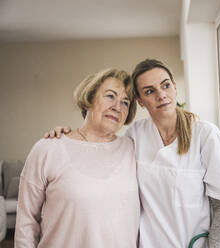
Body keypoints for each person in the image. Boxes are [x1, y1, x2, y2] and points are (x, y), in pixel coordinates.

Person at [46, 59, 220, 248]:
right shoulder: (136, 135)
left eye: (166, 85)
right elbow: (100, 148)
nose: (161, 95)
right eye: (149, 91)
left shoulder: (206, 136)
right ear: (140, 101)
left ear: (174, 87)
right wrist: (69, 137)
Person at [15, 68, 139, 248]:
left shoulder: (133, 149)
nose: (117, 107)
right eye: (110, 96)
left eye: (125, 102)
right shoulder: (48, 148)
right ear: (89, 98)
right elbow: (26, 221)